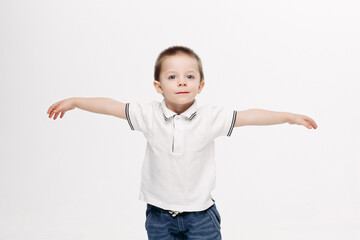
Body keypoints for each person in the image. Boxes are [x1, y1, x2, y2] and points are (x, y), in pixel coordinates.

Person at [47, 46, 317, 240]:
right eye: (172, 77)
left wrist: (288, 117)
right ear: (158, 86)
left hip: (200, 216)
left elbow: (249, 116)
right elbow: (110, 106)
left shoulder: (211, 117)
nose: (182, 82)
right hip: (159, 215)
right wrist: (76, 102)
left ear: (200, 85)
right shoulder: (147, 114)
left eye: (190, 76)